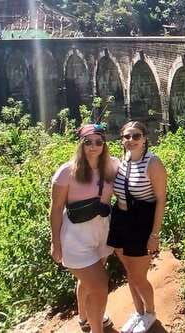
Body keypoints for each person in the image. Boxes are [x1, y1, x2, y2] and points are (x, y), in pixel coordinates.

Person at [50, 123, 117, 333]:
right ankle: (96, 329)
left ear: (104, 144)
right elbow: (56, 208)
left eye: (98, 141)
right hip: (76, 238)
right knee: (99, 285)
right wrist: (55, 242)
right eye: (88, 142)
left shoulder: (113, 165)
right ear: (81, 144)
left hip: (102, 233)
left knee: (89, 282)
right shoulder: (66, 172)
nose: (93, 146)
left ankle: (85, 318)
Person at [109, 121, 168, 333]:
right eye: (126, 136)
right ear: (122, 139)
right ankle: (138, 311)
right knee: (129, 272)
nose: (131, 140)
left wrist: (154, 234)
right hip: (120, 220)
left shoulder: (153, 164)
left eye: (136, 136)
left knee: (138, 276)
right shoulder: (122, 161)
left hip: (141, 224)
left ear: (144, 139)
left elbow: (161, 199)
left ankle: (150, 313)